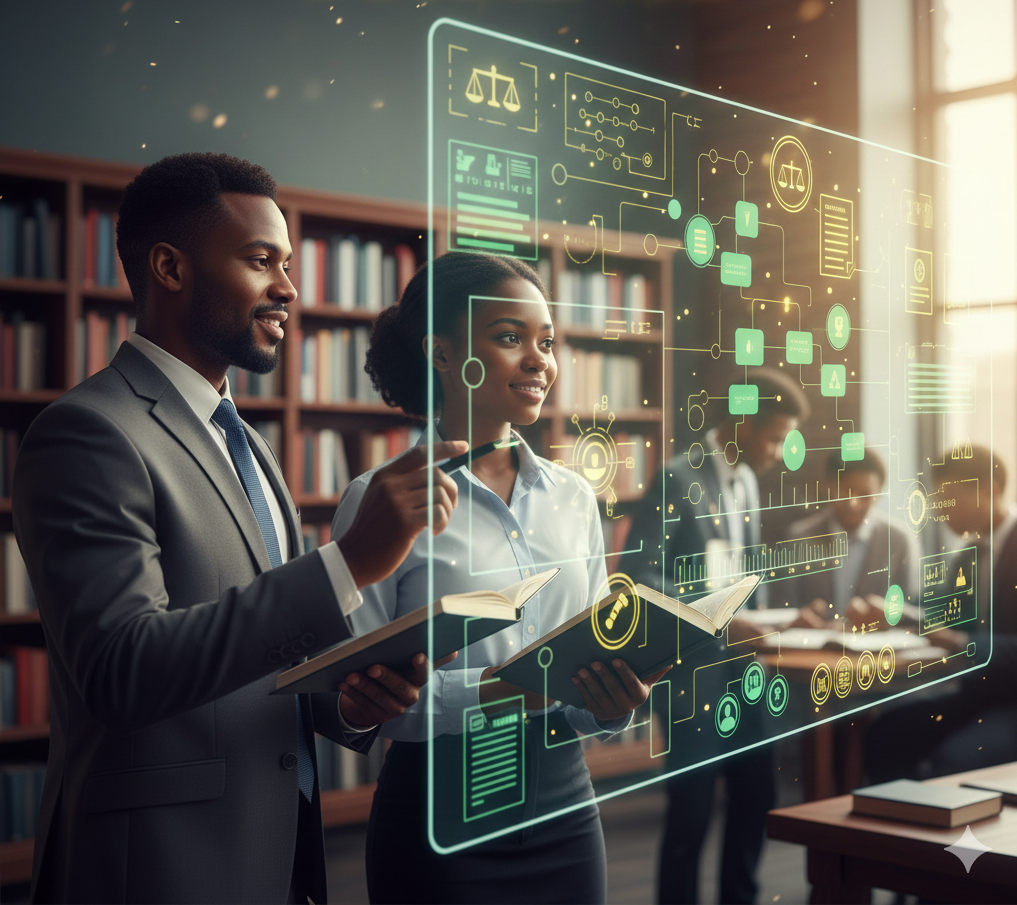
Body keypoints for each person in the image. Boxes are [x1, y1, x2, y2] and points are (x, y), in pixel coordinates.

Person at [12, 153, 467, 904]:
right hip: (157, 869)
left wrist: (350, 699)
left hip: (281, 857)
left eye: (287, 263)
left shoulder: (247, 442)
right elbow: (123, 668)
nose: (289, 287)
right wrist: (348, 562)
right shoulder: (86, 433)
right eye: (262, 261)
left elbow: (264, 664)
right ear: (169, 267)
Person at [331, 251, 669, 904]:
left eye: (547, 341)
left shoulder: (575, 497)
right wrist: (507, 690)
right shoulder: (381, 499)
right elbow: (359, 702)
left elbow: (586, 665)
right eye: (510, 337)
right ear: (443, 354)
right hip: (438, 818)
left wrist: (611, 698)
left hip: (565, 803)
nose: (539, 358)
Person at [626, 368, 810, 905]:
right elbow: (639, 576)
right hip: (692, 672)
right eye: (776, 438)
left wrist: (771, 618)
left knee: (757, 796)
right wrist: (725, 619)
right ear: (744, 425)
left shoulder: (748, 481)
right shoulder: (678, 478)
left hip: (744, 668)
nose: (779, 453)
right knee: (692, 809)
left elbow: (743, 575)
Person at [865, 446, 1017, 781]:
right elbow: (945, 613)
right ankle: (891, 831)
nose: (939, 511)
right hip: (980, 694)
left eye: (948, 500)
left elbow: (961, 633)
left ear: (989, 490)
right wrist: (897, 614)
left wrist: (962, 641)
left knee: (954, 759)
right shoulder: (969, 554)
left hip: (1016, 701)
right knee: (885, 733)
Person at [782, 448, 918, 629]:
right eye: (846, 491)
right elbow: (781, 609)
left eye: (864, 495)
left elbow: (916, 611)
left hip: (879, 653)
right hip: (811, 652)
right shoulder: (798, 538)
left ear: (878, 493)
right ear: (828, 486)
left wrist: (890, 613)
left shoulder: (899, 540)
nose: (853, 504)